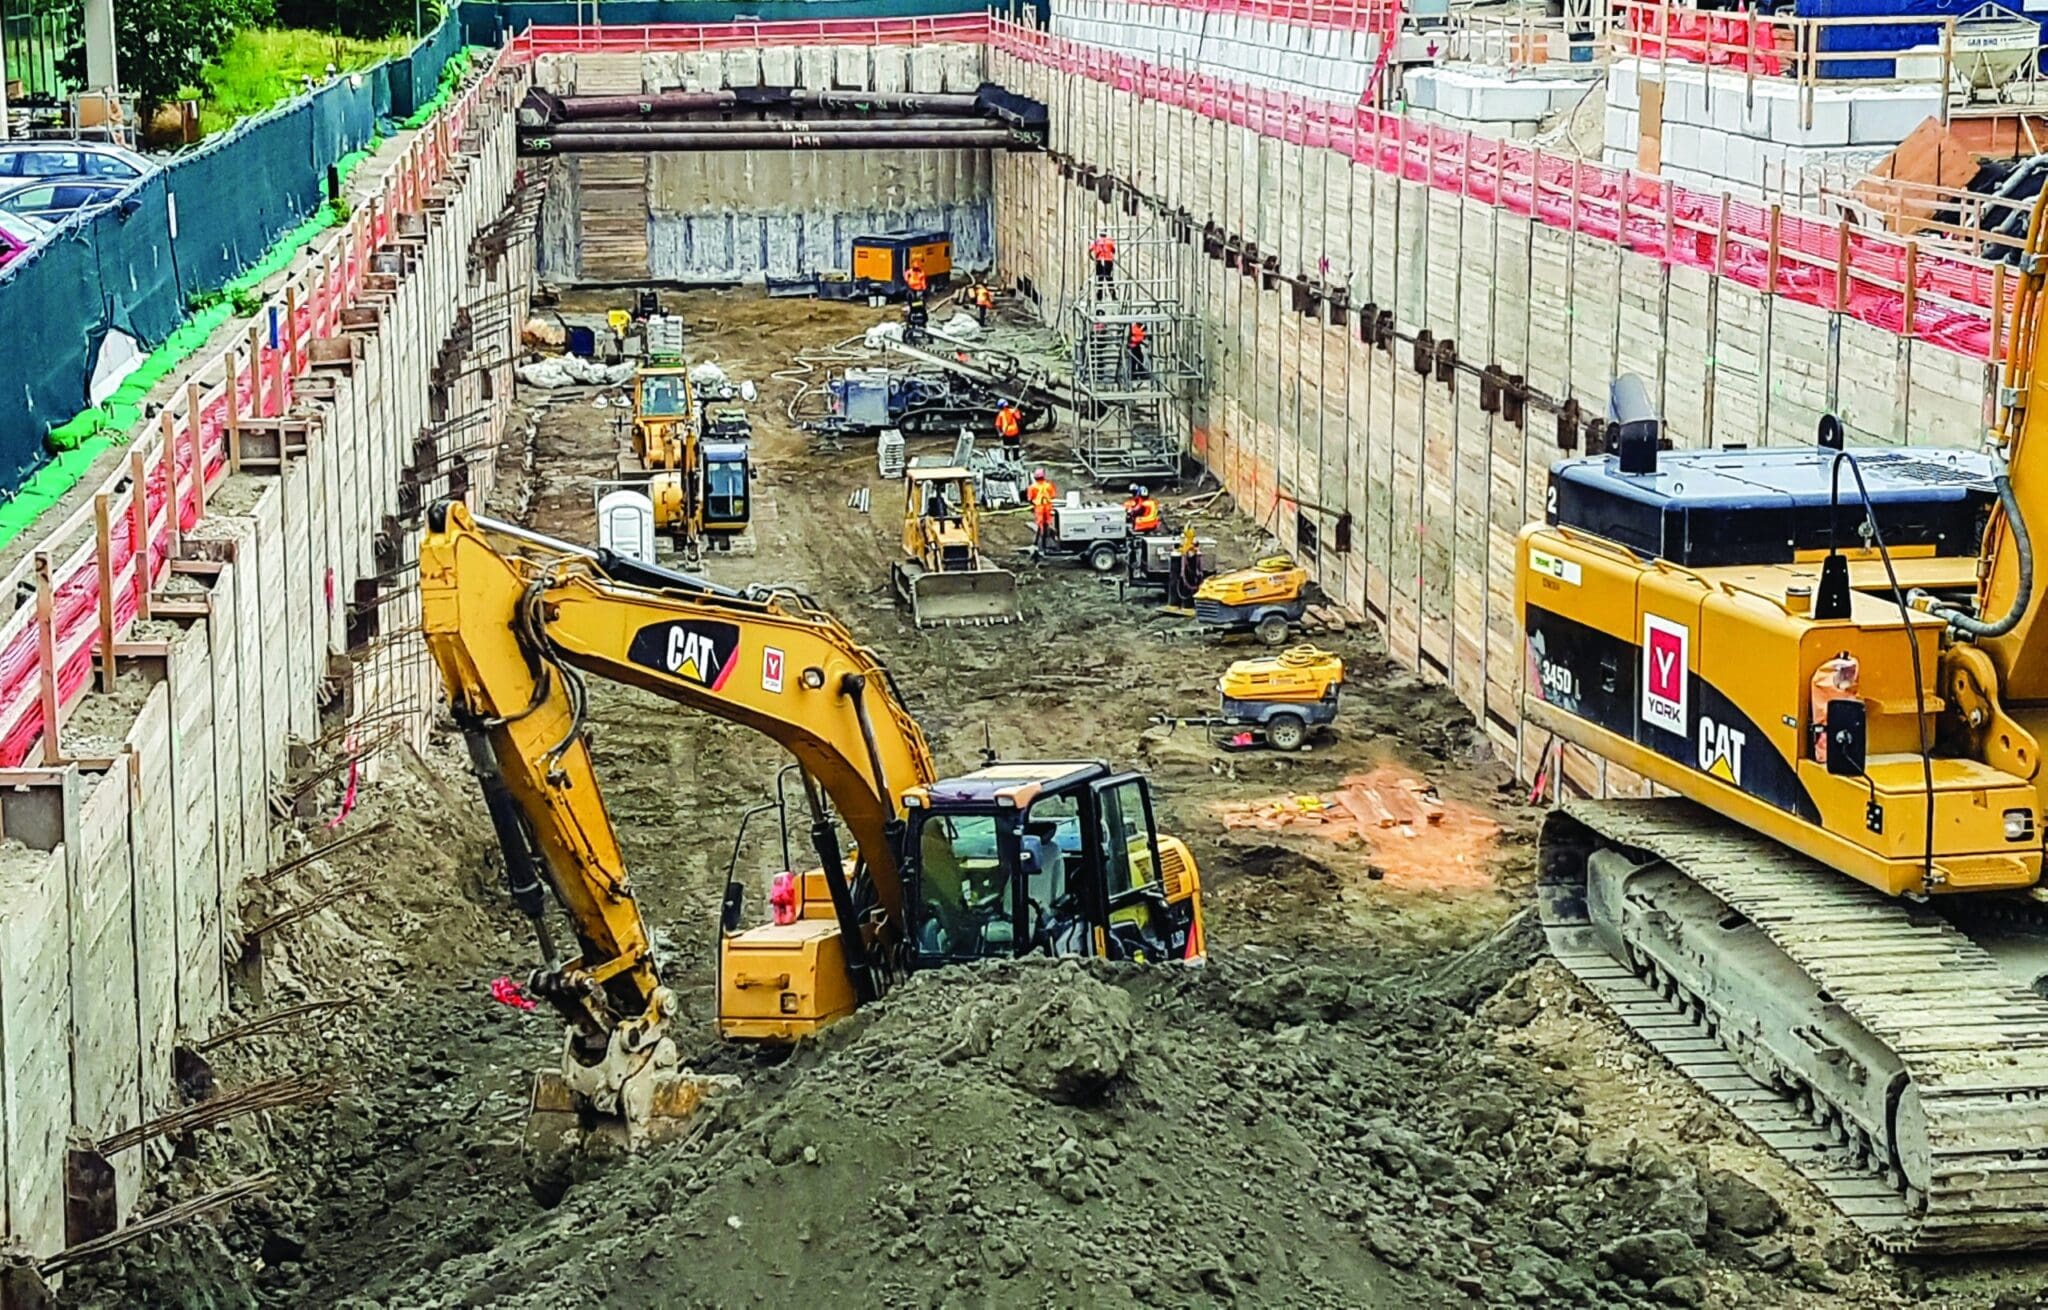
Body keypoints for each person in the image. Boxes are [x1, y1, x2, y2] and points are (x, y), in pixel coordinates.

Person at [1026, 468, 1059, 553]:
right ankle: (1046, 544)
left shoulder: (1032, 487)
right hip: (1047, 507)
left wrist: (1033, 505)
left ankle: (1039, 544)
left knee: (1040, 525)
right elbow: (1053, 496)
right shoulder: (1049, 485)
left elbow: (1030, 499)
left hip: (1039, 507)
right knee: (1047, 524)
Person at [1089, 230, 1116, 297]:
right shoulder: (1110, 241)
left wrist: (1092, 258)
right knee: (1109, 278)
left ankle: (1099, 296)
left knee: (1100, 278)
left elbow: (1089, 250)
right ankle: (1113, 295)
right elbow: (1113, 251)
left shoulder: (1096, 241)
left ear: (1100, 235)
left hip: (1099, 260)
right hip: (1108, 261)